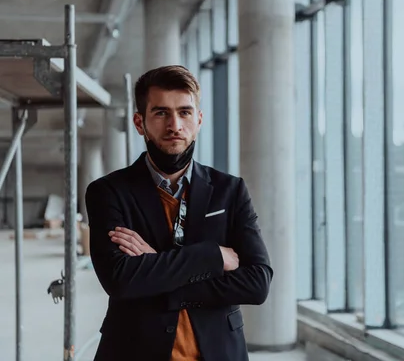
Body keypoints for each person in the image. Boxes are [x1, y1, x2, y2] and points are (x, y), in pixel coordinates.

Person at [85, 65, 272, 361]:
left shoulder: (230, 190)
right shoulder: (108, 192)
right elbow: (120, 279)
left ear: (198, 120)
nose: (175, 125)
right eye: (160, 113)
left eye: (185, 112)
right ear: (139, 122)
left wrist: (155, 269)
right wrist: (212, 256)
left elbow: (257, 283)